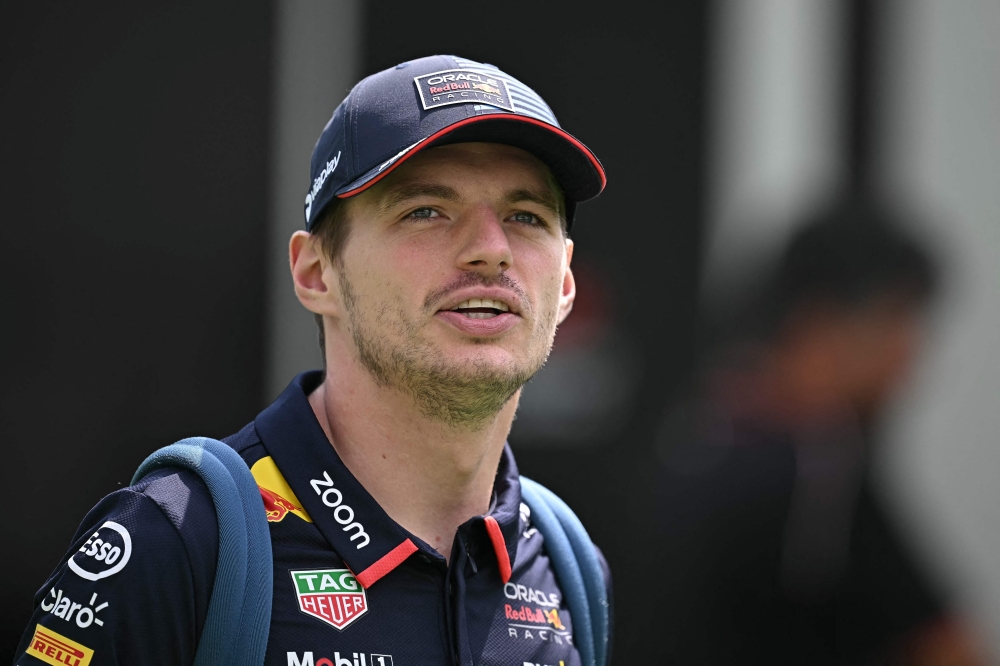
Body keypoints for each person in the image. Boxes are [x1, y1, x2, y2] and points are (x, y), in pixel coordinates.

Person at [14, 54, 610, 666]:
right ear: (315, 271)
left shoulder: (566, 565)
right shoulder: (178, 540)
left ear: (564, 283)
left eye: (525, 216)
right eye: (425, 211)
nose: (490, 249)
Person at [655, 200, 986, 665]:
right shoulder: (817, 460)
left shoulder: (696, 426)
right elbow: (948, 648)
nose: (909, 359)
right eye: (900, 322)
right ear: (823, 324)